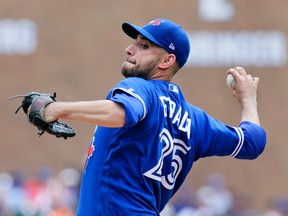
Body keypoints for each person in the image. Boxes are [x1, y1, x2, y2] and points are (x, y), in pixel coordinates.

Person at [42, 18, 266, 215]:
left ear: (166, 61)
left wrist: (57, 109)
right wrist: (248, 101)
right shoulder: (196, 121)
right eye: (135, 42)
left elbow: (122, 112)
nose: (130, 49)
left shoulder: (141, 88)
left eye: (144, 45)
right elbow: (251, 142)